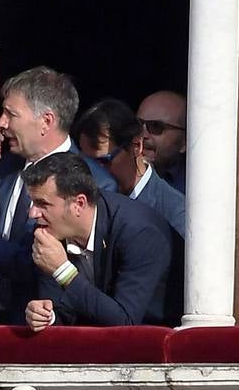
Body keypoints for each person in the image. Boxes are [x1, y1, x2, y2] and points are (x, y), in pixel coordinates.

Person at [0, 67, 120, 324]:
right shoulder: (0, 169)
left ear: (46, 121)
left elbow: (56, 262)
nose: (1, 123)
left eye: (11, 114)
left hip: (41, 329)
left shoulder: (94, 185)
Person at [21, 153, 172, 330]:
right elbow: (64, 310)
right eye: (32, 203)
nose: (32, 214)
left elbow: (125, 323)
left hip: (158, 344)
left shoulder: (140, 233)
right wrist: (46, 316)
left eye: (42, 204)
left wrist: (63, 271)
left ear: (79, 203)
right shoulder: (49, 231)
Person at [73, 97, 184, 324]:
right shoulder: (82, 204)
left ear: (136, 146)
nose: (91, 175)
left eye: (103, 162)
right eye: (85, 164)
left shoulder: (174, 211)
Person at [136, 89, 187, 193]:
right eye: (137, 124)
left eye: (156, 126)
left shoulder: (201, 184)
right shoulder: (115, 178)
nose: (143, 135)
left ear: (185, 141)